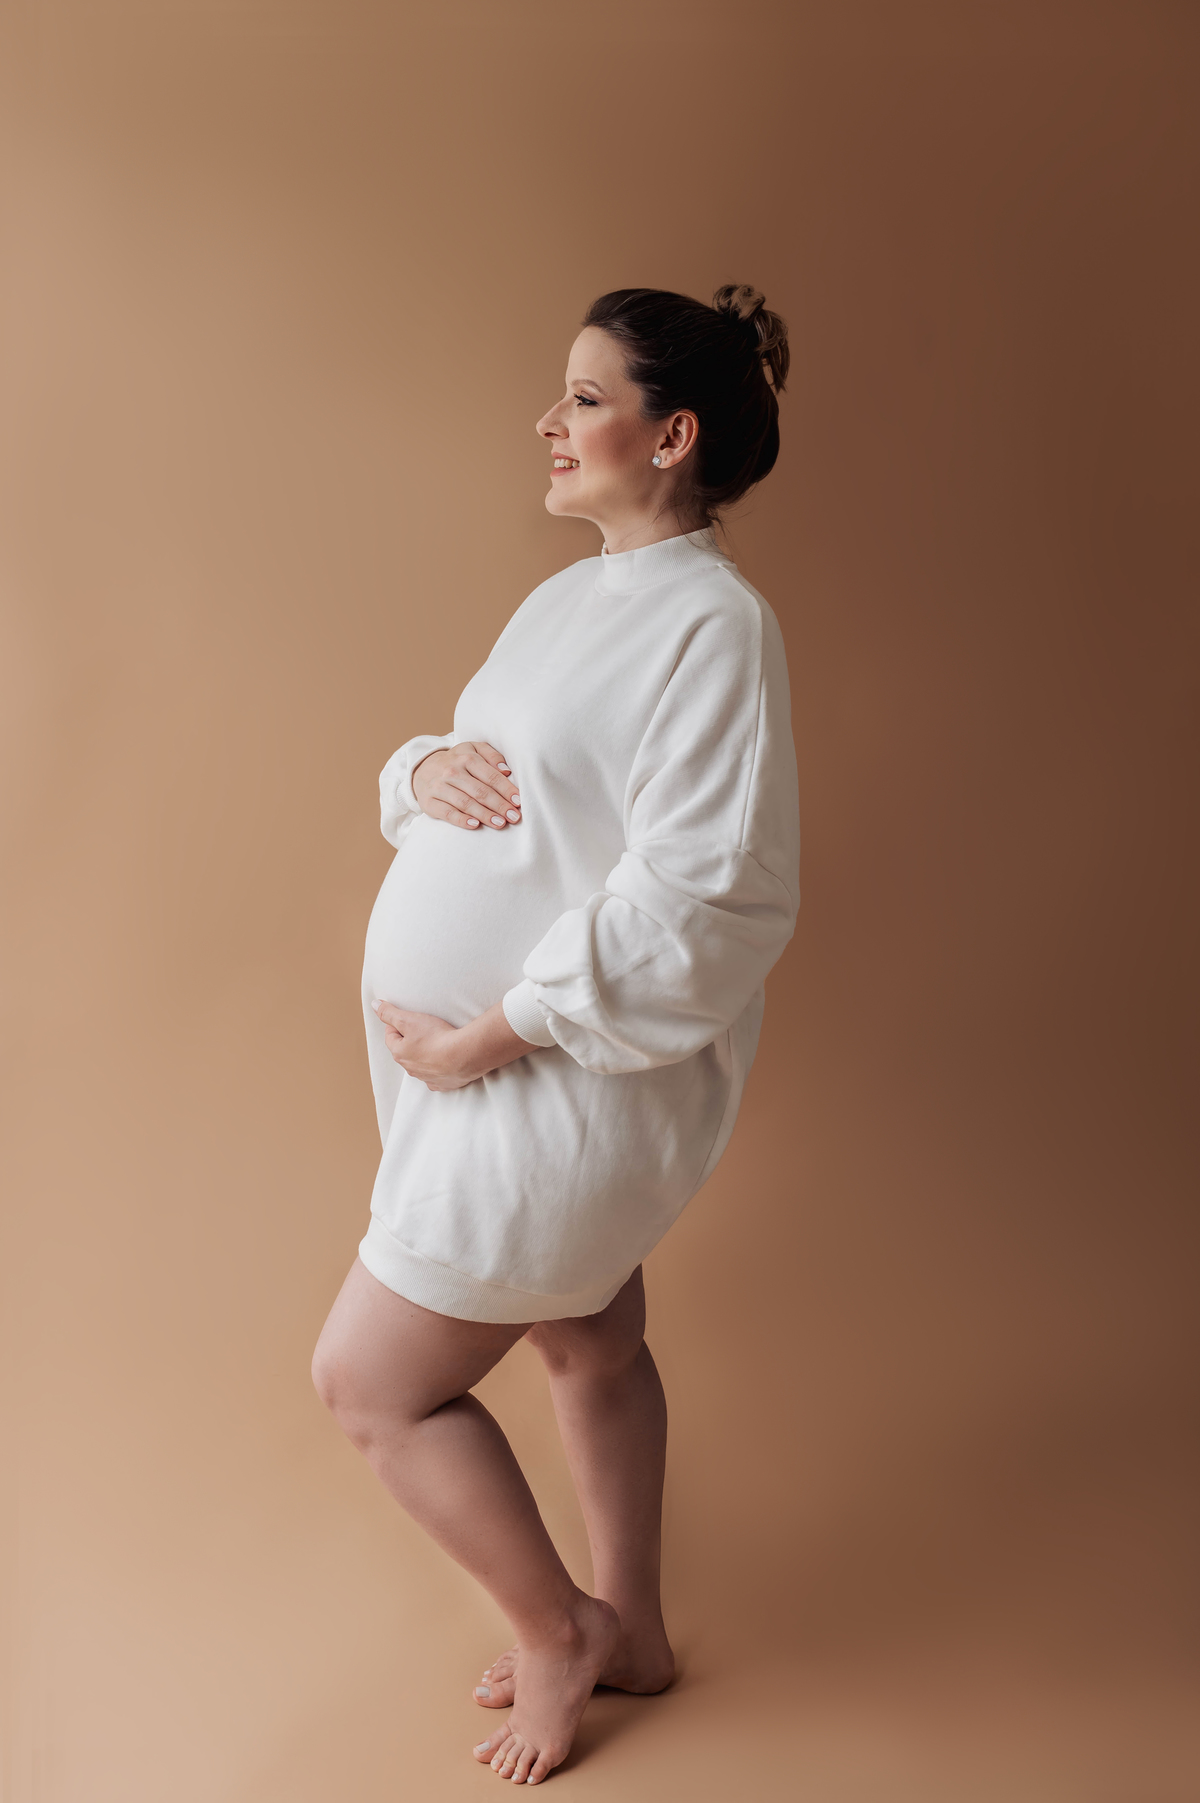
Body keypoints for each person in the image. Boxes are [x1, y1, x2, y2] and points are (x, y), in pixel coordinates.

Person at [312, 284, 800, 1785]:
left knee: (372, 1385)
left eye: (585, 398)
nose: (549, 420)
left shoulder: (714, 626)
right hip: (482, 1075)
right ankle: (634, 1630)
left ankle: (558, 1629)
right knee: (590, 1340)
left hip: (553, 1074)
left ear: (673, 434)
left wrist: (500, 1034)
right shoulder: (567, 600)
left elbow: (711, 890)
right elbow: (492, 775)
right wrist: (418, 771)